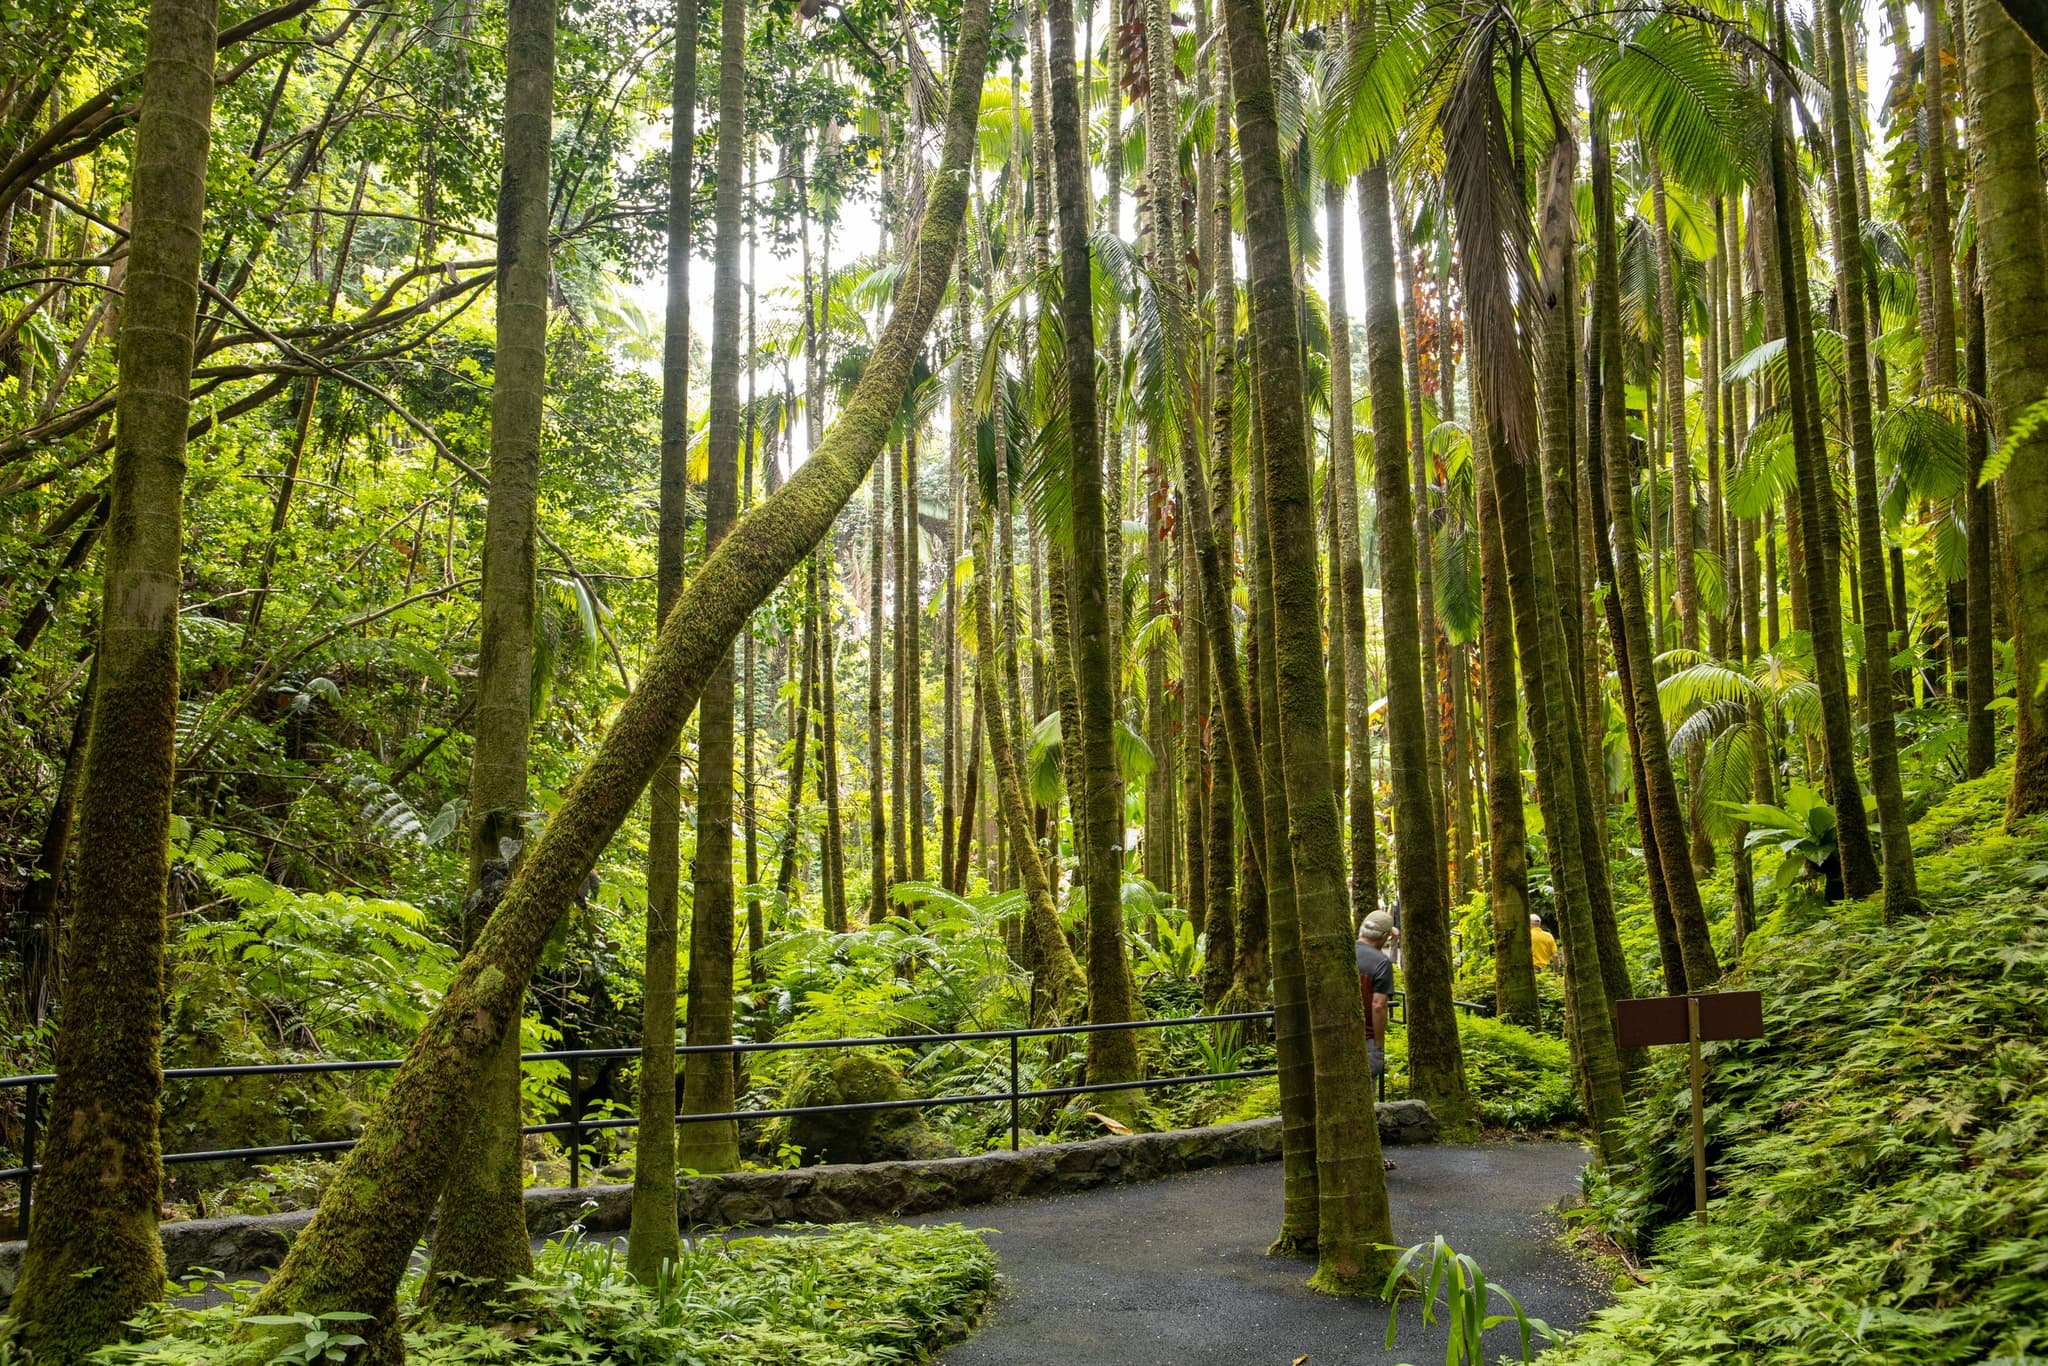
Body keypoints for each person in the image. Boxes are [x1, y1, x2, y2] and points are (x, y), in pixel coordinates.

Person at [1356, 911, 1396, 1082]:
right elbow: (1379, 1005)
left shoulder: (1343, 953)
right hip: (1365, 1039)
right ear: (1384, 936)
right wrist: (1378, 1045)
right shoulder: (1381, 962)